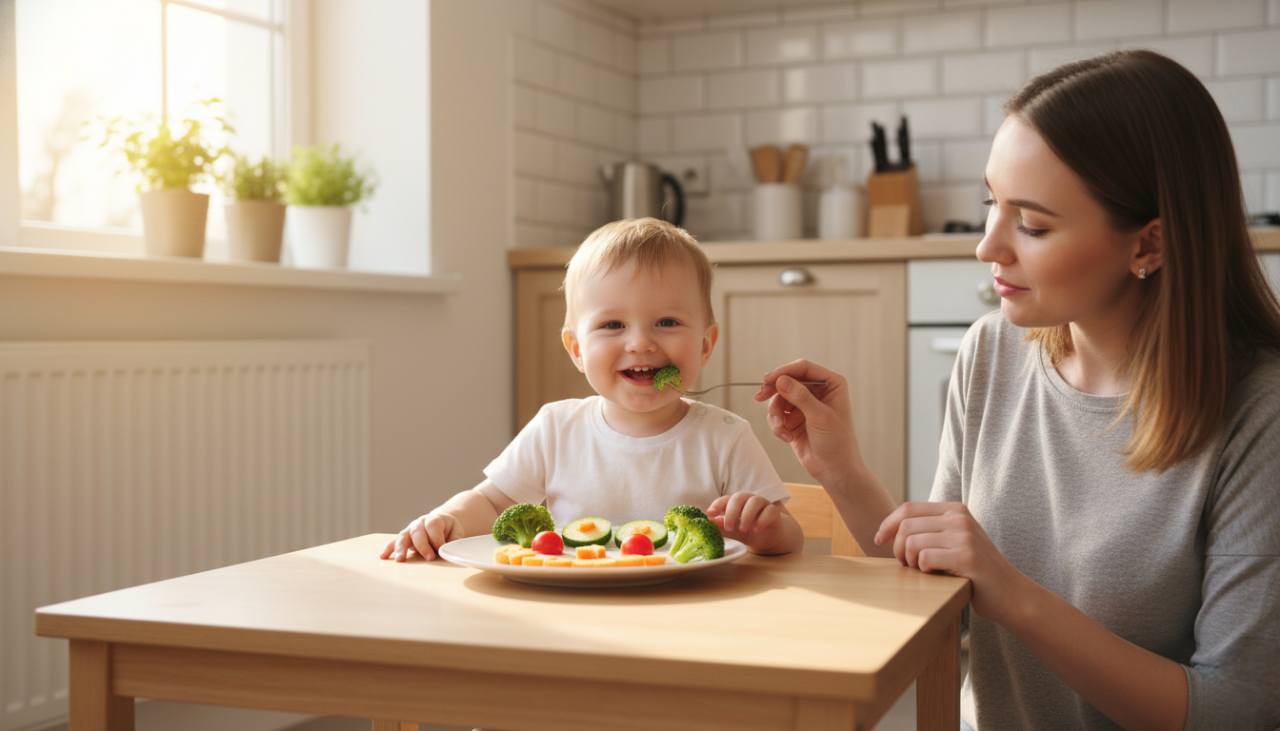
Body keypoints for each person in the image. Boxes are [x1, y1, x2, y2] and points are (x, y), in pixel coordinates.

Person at [755, 50, 1280, 731]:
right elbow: (942, 597)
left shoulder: (1259, 412)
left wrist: (1014, 594)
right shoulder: (991, 352)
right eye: (991, 205)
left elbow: (1235, 709)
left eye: (1031, 224)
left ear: (1148, 245)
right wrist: (842, 470)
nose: (987, 246)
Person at [383, 217, 804, 562]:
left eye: (667, 322)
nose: (640, 343)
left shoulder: (727, 437)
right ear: (577, 350)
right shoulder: (556, 427)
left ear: (705, 345)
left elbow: (790, 536)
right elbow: (491, 504)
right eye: (613, 325)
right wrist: (447, 519)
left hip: (691, 610)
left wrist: (767, 531)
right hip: (572, 609)